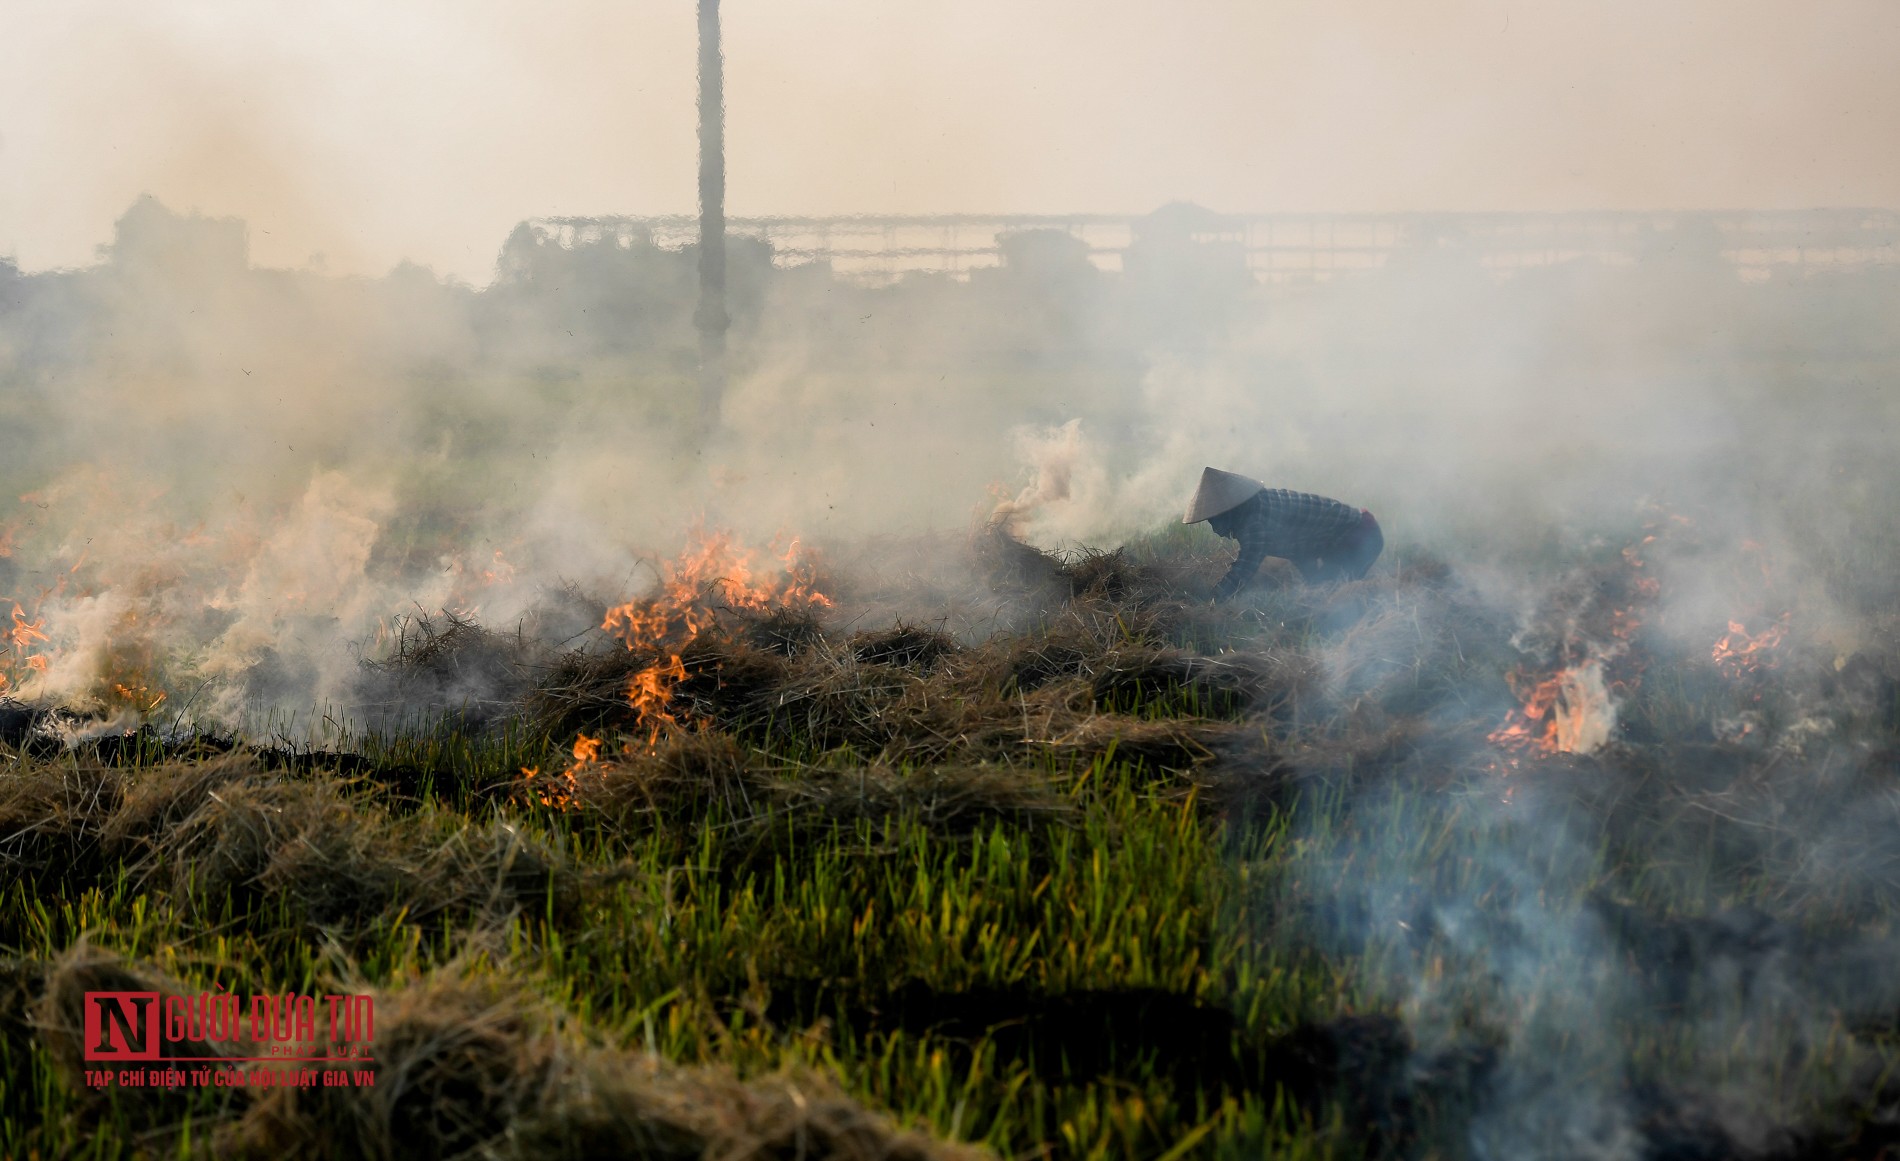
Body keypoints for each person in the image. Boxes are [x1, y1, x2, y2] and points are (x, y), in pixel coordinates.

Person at [1183, 467, 1383, 599]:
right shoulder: (1259, 505)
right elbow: (1299, 545)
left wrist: (1212, 599)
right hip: (1345, 538)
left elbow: (1243, 571)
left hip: (1360, 536)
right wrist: (1312, 579)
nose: (1216, 529)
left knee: (1339, 598)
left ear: (1228, 511)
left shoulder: (1254, 523)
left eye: (1215, 520)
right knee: (1321, 590)